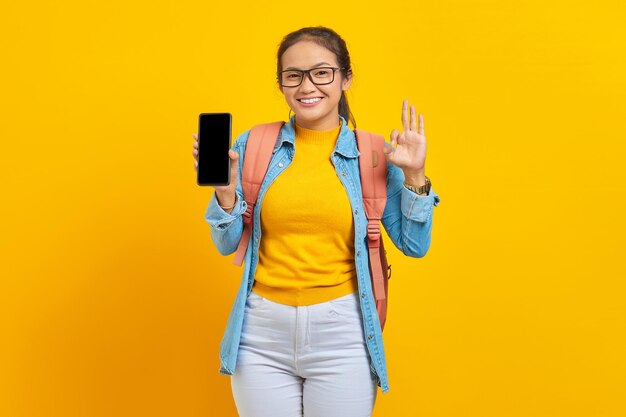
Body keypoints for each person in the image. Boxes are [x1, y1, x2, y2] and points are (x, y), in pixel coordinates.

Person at [192, 26, 440, 417]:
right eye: (293, 75)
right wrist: (225, 194)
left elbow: (414, 245)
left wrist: (414, 177)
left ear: (345, 77)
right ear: (282, 84)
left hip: (342, 333)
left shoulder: (373, 153)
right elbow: (227, 245)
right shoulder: (252, 145)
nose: (307, 85)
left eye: (321, 72)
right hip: (261, 335)